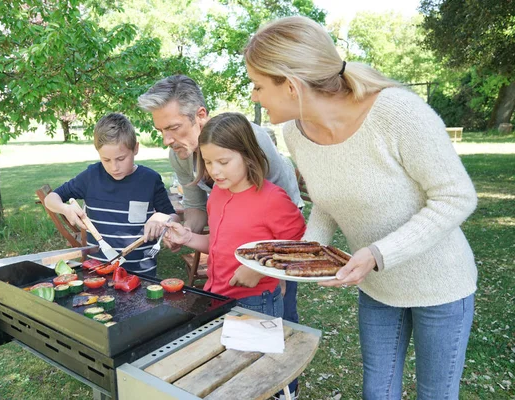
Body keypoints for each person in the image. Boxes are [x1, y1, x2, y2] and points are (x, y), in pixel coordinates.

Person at [244, 16, 478, 400]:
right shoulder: (295, 132)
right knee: (377, 392)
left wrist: (377, 254)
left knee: (436, 394)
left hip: (441, 285)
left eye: (257, 85)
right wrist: (306, 252)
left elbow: (456, 197)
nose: (254, 95)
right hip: (378, 287)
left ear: (290, 86)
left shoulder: (397, 113)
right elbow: (329, 200)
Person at [138, 74, 304, 331]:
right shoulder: (187, 162)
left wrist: (271, 272)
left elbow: (285, 225)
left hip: (275, 236)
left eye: (172, 128)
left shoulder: (251, 140)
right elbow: (197, 208)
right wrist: (185, 234)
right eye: (161, 131)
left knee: (283, 325)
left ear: (200, 115)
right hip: (223, 284)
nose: (166, 140)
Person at [44, 112, 180, 276]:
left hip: (141, 274)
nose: (114, 167)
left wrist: (163, 218)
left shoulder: (150, 180)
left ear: (135, 148)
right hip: (98, 272)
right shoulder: (91, 176)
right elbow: (50, 199)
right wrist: (64, 209)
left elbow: (173, 216)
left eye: (121, 159)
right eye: (106, 160)